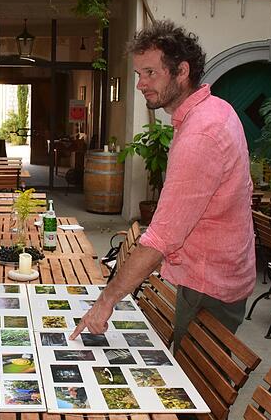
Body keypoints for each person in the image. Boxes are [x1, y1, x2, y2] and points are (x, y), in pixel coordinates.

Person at [71, 20, 255, 349]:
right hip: (214, 273)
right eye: (139, 74)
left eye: (150, 73)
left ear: (181, 71)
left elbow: (161, 238)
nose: (140, 84)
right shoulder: (217, 110)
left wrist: (105, 302)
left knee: (193, 391)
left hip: (208, 285)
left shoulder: (202, 132)